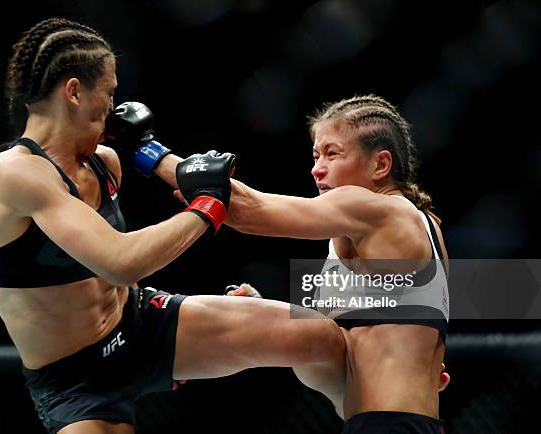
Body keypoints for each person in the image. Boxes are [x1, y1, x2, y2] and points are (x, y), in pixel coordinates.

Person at [0, 18, 347, 434]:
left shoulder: (106, 162)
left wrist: (158, 157)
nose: (115, 106)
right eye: (110, 92)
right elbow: (121, 262)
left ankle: (363, 422)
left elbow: (231, 199)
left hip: (140, 326)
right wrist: (206, 206)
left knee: (320, 337)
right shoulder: (13, 173)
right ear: (74, 92)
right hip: (75, 381)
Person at [153, 95, 449, 433]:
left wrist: (148, 153)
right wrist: (258, 313)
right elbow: (334, 344)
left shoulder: (376, 210)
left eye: (333, 154)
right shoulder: (421, 229)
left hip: (386, 424)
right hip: (404, 422)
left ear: (380, 165)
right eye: (315, 155)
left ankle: (153, 338)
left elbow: (251, 211)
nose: (317, 168)